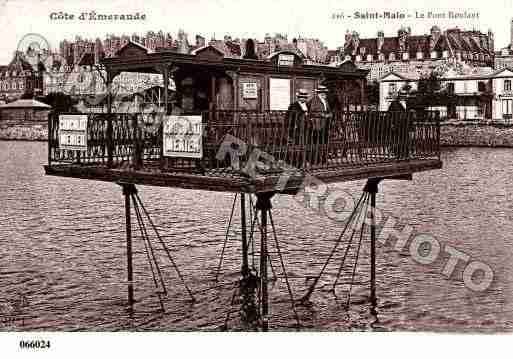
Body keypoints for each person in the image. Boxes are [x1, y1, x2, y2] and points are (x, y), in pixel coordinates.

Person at [306, 85, 332, 164]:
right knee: (316, 143)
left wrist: (330, 114)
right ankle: (315, 161)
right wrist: (323, 115)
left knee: (324, 142)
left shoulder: (325, 101)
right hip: (317, 125)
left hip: (325, 125)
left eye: (325, 92)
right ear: (319, 93)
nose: (324, 94)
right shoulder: (314, 100)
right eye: (323, 92)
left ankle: (323, 160)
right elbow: (312, 112)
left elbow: (328, 110)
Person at [285, 88, 310, 167]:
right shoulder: (293, 106)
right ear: (298, 97)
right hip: (297, 130)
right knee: (297, 146)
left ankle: (304, 161)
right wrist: (293, 127)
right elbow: (289, 118)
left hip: (306, 129)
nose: (303, 98)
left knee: (305, 146)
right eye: (301, 97)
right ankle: (297, 163)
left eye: (305, 97)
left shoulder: (307, 105)